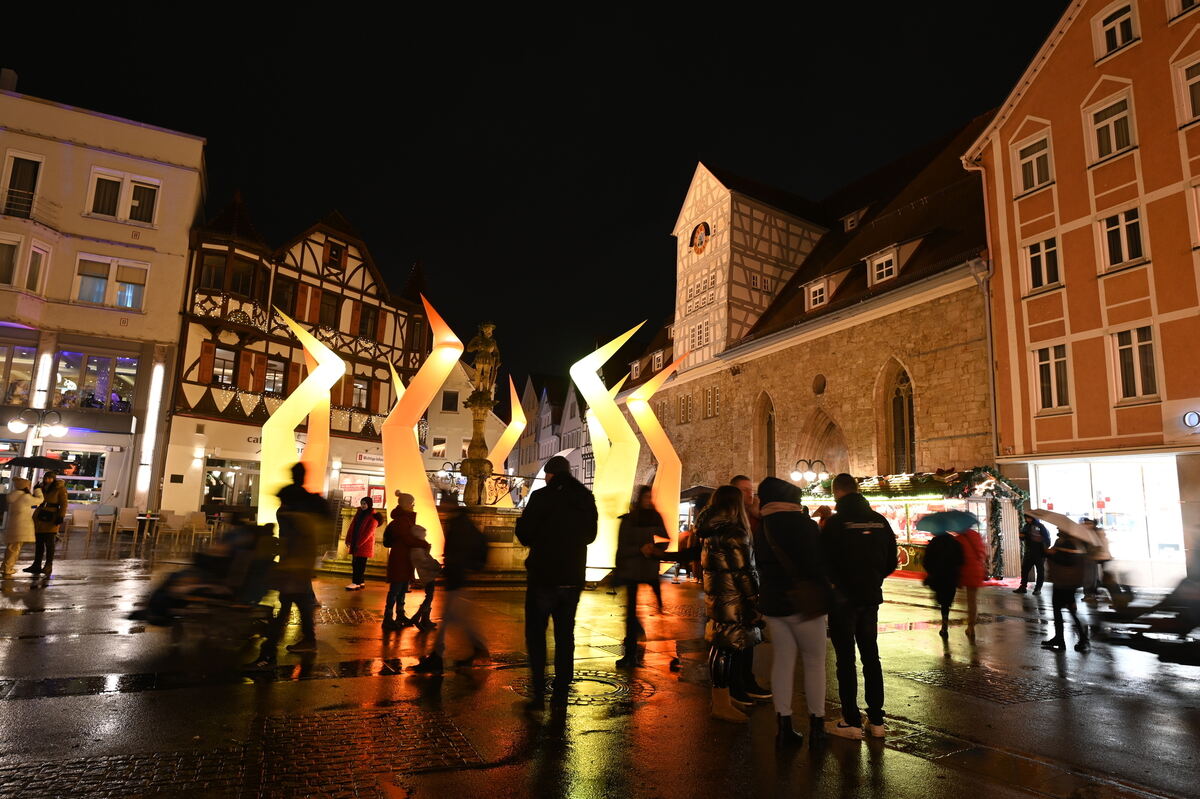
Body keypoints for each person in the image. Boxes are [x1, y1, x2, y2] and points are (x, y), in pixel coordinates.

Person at [513, 455, 598, 702]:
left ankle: (538, 685)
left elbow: (526, 534)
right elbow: (590, 535)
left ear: (550, 475)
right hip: (571, 577)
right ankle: (562, 685)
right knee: (565, 633)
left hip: (543, 576)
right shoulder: (585, 497)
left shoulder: (541, 497)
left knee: (537, 633)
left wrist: (523, 524)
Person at [754, 477, 829, 746]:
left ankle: (784, 726)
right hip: (805, 604)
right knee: (813, 663)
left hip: (774, 604)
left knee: (783, 662)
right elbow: (817, 563)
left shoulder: (763, 527)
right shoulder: (804, 526)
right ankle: (817, 726)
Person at [822, 473, 896, 740]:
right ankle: (876, 721)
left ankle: (851, 720)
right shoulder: (879, 521)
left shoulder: (836, 522)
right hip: (869, 599)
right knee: (871, 657)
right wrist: (873, 578)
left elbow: (825, 562)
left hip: (843, 601)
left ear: (837, 493)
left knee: (846, 660)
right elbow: (891, 560)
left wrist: (837, 585)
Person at [253, 463, 331, 665]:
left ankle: (268, 653)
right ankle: (307, 641)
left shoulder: (295, 511)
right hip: (299, 565)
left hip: (294, 567)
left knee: (286, 608)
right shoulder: (307, 505)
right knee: (298, 605)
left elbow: (295, 540)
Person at [699, 485, 762, 723]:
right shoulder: (734, 532)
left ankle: (723, 698)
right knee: (725, 650)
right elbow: (743, 571)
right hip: (733, 598)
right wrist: (754, 600)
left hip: (719, 596)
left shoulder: (712, 531)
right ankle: (721, 703)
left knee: (720, 646)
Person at [411, 500, 491, 674]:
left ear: (451, 506)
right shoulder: (462, 523)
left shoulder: (459, 526)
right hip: (458, 578)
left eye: (444, 505)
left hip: (457, 578)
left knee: (452, 619)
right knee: (456, 619)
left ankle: (438, 657)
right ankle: (474, 648)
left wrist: (452, 567)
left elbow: (458, 553)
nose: (442, 508)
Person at [727, 475, 771, 702]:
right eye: (744, 490)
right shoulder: (731, 521)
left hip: (750, 584)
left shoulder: (752, 518)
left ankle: (747, 680)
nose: (749, 494)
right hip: (734, 590)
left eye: (750, 490)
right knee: (736, 640)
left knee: (750, 636)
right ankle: (735, 686)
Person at [614, 485, 667, 668]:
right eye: (645, 497)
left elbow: (665, 538)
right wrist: (639, 549)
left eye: (649, 497)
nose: (647, 500)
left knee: (632, 612)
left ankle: (633, 648)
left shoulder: (654, 517)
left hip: (647, 568)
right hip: (631, 571)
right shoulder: (629, 519)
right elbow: (622, 547)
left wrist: (656, 549)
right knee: (630, 613)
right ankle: (630, 652)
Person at [382, 493, 429, 630]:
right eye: (411, 503)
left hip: (404, 559)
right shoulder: (402, 520)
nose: (413, 506)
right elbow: (407, 539)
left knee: (402, 589)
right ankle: (388, 617)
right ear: (405, 504)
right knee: (396, 590)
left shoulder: (405, 519)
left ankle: (399, 614)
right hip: (400, 560)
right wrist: (423, 544)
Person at [1042, 528, 1090, 652]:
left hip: (1066, 582)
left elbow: (1069, 561)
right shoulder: (1061, 541)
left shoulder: (1071, 543)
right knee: (1058, 611)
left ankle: (1084, 639)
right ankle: (1059, 638)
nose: (1058, 529)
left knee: (1071, 611)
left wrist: (1052, 554)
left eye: (1060, 528)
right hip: (1060, 581)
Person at [922, 529, 963, 638]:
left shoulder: (934, 542)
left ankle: (944, 621)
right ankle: (945, 621)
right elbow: (961, 559)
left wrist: (931, 571)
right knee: (947, 603)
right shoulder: (954, 542)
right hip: (951, 577)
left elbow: (926, 561)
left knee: (942, 600)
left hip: (938, 577)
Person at [26, 470, 68, 578]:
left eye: (50, 478)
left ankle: (48, 565)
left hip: (51, 517)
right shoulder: (41, 487)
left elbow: (64, 503)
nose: (47, 480)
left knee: (49, 543)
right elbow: (36, 500)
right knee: (39, 542)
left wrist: (61, 516)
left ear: (54, 479)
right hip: (40, 516)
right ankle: (36, 564)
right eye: (46, 478)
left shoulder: (60, 488)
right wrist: (35, 490)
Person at [344, 497, 383, 590]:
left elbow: (368, 533)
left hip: (364, 545)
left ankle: (355, 583)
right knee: (356, 563)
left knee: (359, 564)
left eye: (365, 503)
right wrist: (348, 539)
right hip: (356, 543)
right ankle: (360, 582)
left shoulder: (373, 517)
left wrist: (359, 544)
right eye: (362, 503)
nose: (363, 505)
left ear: (369, 504)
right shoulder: (359, 514)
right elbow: (352, 527)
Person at [955, 526, 987, 641]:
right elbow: (982, 551)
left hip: (966, 572)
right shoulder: (976, 535)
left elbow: (957, 558)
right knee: (972, 600)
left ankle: (971, 626)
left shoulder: (958, 539)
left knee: (968, 601)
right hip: (977, 570)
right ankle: (971, 624)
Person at [2, 478, 35, 577]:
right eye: (29, 485)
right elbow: (39, 500)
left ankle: (5, 566)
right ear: (25, 486)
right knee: (14, 549)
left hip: (13, 525)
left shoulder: (13, 495)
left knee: (11, 548)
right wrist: (38, 490)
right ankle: (8, 568)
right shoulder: (25, 497)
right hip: (20, 527)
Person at [1014, 514, 1050, 594]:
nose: (1028, 519)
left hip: (1039, 553)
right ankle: (1023, 587)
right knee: (1024, 570)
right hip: (1029, 552)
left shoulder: (1040, 526)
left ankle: (1038, 588)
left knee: (1040, 571)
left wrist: (1044, 548)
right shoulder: (1026, 526)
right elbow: (1023, 537)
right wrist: (1022, 536)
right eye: (1026, 518)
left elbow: (1047, 538)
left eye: (1029, 517)